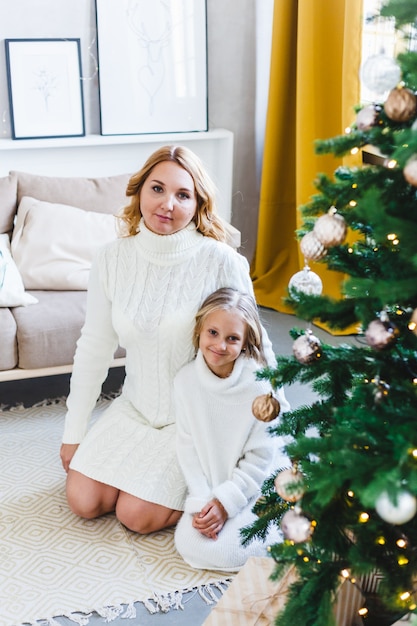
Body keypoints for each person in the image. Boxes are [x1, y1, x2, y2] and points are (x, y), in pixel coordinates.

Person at [60, 145, 289, 535]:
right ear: (139, 192)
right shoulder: (111, 258)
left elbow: (257, 345)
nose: (167, 203)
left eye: (183, 194)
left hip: (194, 419)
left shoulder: (222, 260)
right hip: (135, 408)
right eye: (157, 189)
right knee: (84, 501)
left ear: (198, 203)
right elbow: (94, 347)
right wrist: (73, 431)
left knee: (136, 515)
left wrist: (277, 418)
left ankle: (224, 472)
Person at [174, 287, 286, 571]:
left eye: (232, 338)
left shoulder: (260, 387)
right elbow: (188, 448)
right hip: (213, 485)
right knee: (190, 544)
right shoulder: (185, 382)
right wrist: (203, 502)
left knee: (229, 551)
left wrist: (226, 502)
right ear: (199, 330)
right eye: (213, 333)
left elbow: (262, 458)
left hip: (257, 483)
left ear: (246, 342)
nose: (220, 345)